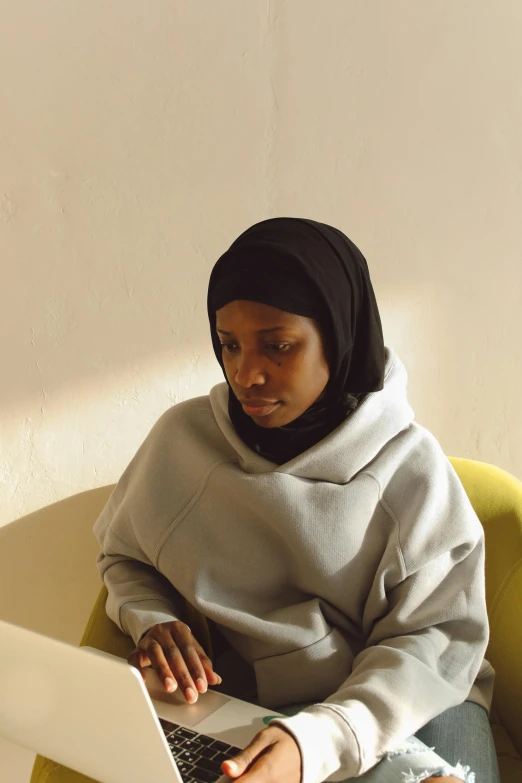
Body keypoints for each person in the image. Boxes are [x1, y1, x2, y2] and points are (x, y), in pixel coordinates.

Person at [93, 218, 500, 783]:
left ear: (339, 335)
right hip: (244, 703)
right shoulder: (183, 442)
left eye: (277, 346)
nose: (245, 373)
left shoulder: (410, 470)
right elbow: (123, 555)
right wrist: (152, 619)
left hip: (406, 701)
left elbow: (434, 641)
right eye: (228, 345)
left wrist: (314, 740)